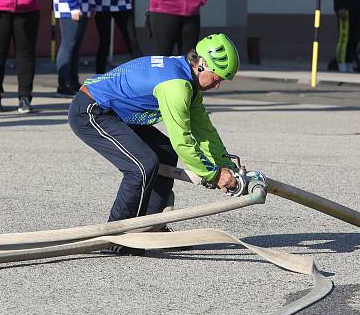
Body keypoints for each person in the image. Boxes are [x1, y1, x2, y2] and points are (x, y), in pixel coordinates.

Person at [68, 33, 241, 255]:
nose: (218, 85)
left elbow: (204, 131)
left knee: (165, 153)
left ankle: (152, 226)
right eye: (218, 78)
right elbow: (183, 141)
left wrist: (229, 166)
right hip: (91, 111)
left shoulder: (186, 78)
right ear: (202, 65)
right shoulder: (176, 86)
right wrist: (214, 176)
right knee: (142, 166)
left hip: (115, 112)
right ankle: (117, 235)